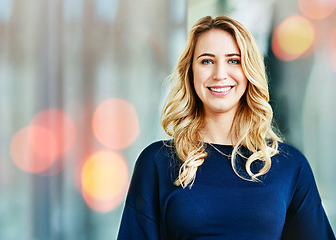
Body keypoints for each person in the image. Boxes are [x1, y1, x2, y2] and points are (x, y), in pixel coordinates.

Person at [117, 15, 335, 240]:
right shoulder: (157, 162)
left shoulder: (289, 166)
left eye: (234, 60)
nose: (220, 74)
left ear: (249, 71)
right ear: (191, 72)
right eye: (207, 61)